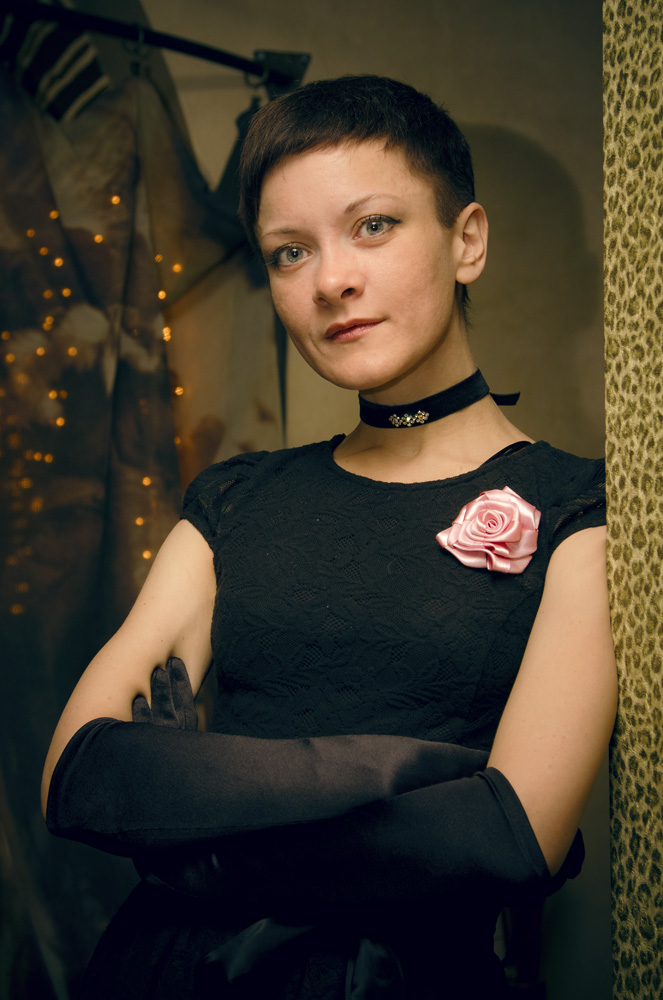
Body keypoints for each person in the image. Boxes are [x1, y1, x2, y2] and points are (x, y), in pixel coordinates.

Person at [42, 75, 617, 999]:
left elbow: (508, 835)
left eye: (373, 226)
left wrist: (199, 831)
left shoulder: (578, 511)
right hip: (162, 970)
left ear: (466, 240)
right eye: (288, 252)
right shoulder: (235, 499)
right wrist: (410, 774)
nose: (330, 281)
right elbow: (79, 775)